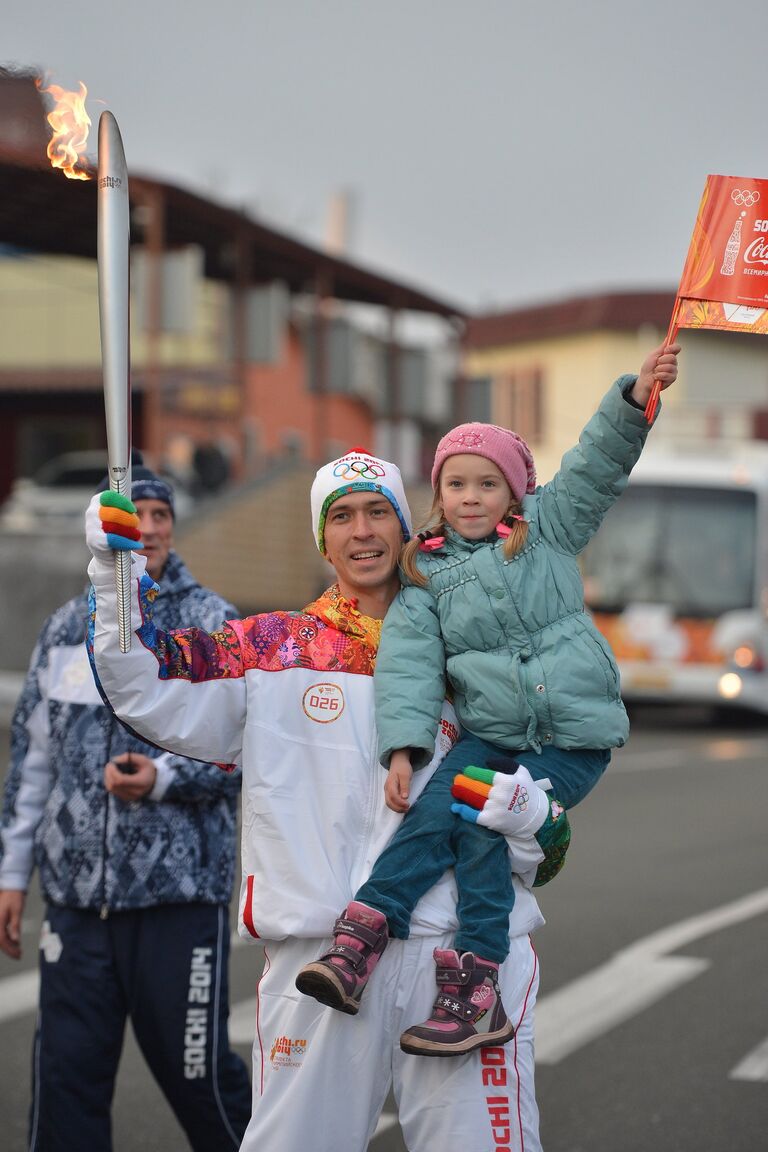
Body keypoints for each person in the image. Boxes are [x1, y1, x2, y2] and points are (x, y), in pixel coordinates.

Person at [83, 447, 550, 1152]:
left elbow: (557, 808)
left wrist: (531, 816)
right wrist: (114, 571)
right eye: (341, 517)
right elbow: (143, 678)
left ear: (404, 527)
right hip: (324, 962)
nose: (361, 531)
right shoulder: (272, 651)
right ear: (322, 537)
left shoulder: (478, 651)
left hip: (462, 964)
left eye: (377, 513)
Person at [295, 343, 680, 1056]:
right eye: (455, 486)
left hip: (571, 737)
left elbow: (597, 464)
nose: (470, 497)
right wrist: (406, 749)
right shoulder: (426, 578)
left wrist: (634, 397)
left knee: (485, 822)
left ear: (515, 494)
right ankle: (359, 940)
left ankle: (475, 988)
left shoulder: (552, 532)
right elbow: (408, 667)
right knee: (439, 806)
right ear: (436, 497)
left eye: (486, 484)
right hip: (493, 733)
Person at [0, 462, 251, 1152]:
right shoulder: (62, 630)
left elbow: (245, 752)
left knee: (199, 1080)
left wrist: (166, 778)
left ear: (174, 526)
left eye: (160, 514)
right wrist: (12, 875)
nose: (147, 527)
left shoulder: (211, 625)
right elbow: (33, 761)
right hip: (79, 902)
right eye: (132, 514)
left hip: (178, 899)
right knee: (65, 1083)